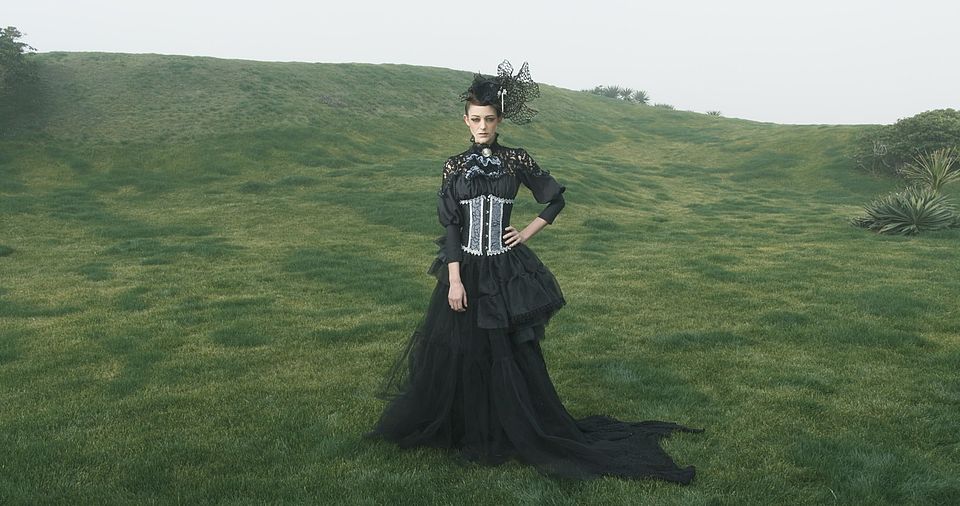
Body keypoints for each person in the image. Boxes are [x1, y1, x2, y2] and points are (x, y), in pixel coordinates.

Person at [365, 61, 701, 484]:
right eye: (475, 119)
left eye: (489, 119)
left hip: (504, 269)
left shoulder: (515, 160)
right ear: (465, 120)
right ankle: (466, 425)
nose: (482, 127)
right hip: (466, 267)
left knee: (510, 354)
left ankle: (513, 425)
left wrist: (525, 232)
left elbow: (555, 199)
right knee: (460, 351)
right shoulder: (454, 166)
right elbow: (450, 226)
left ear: (499, 120)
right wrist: (454, 279)